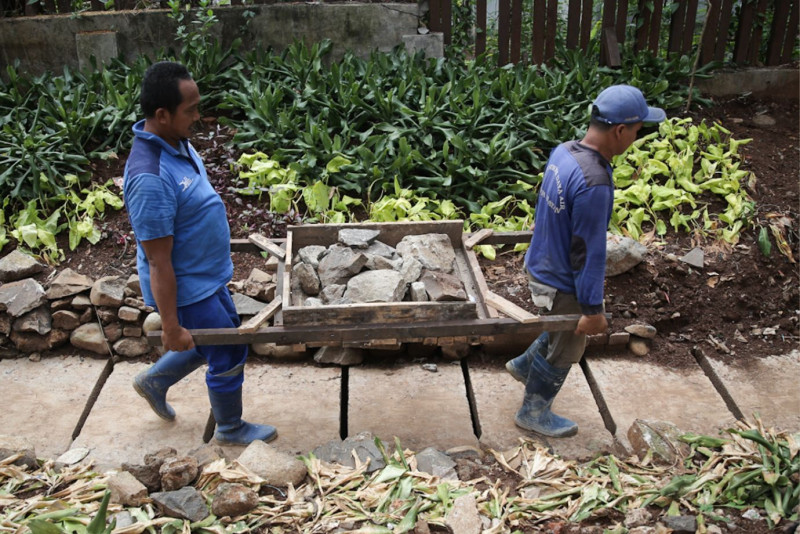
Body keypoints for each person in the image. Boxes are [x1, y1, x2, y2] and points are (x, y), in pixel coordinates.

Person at [123, 61, 277, 445]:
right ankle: (230, 428)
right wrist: (171, 326)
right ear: (162, 114)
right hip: (187, 286)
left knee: (219, 336)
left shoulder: (176, 143)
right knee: (227, 351)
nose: (198, 116)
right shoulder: (149, 178)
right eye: (190, 110)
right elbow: (158, 260)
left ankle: (155, 380)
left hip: (205, 276)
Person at [505, 85, 666, 438]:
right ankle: (533, 411)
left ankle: (523, 365)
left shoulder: (564, 152)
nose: (636, 138)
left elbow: (546, 211)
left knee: (560, 328)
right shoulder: (595, 183)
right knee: (571, 343)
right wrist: (593, 310)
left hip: (540, 262)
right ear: (620, 130)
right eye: (637, 131)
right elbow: (588, 253)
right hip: (560, 279)